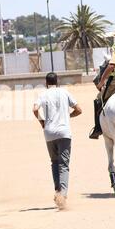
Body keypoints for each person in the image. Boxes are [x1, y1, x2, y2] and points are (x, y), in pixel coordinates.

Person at [33, 72, 82, 210]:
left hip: (49, 134)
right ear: (57, 81)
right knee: (64, 165)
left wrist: (42, 121)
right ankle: (63, 195)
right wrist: (68, 116)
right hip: (64, 132)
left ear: (46, 82)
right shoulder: (64, 92)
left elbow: (35, 109)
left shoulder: (43, 94)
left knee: (54, 162)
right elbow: (79, 110)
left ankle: (57, 191)